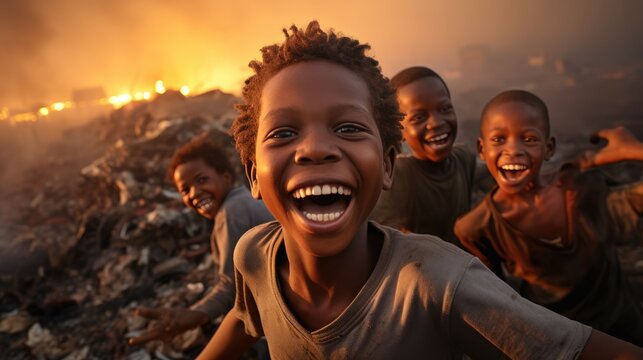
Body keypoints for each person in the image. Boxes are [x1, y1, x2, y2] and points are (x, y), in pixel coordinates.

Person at [198, 21, 643, 359]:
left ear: (389, 163)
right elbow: (245, 316)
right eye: (284, 132)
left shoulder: (442, 285)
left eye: (349, 127)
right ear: (253, 174)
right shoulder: (253, 254)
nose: (315, 148)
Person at [454, 90, 643, 346]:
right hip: (559, 344)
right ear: (481, 148)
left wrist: (635, 150)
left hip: (624, 331)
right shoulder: (477, 227)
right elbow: (498, 304)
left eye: (529, 139)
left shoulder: (579, 189)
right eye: (499, 139)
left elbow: (633, 200)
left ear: (549, 148)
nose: (513, 150)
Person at [127, 135, 273, 345]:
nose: (194, 193)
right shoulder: (245, 201)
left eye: (202, 179)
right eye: (185, 190)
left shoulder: (230, 212)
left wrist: (194, 314)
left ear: (226, 177)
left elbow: (233, 287)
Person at [371, 66, 492, 245]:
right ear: (399, 130)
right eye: (419, 118)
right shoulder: (397, 178)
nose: (436, 122)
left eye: (444, 109)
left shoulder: (463, 159)